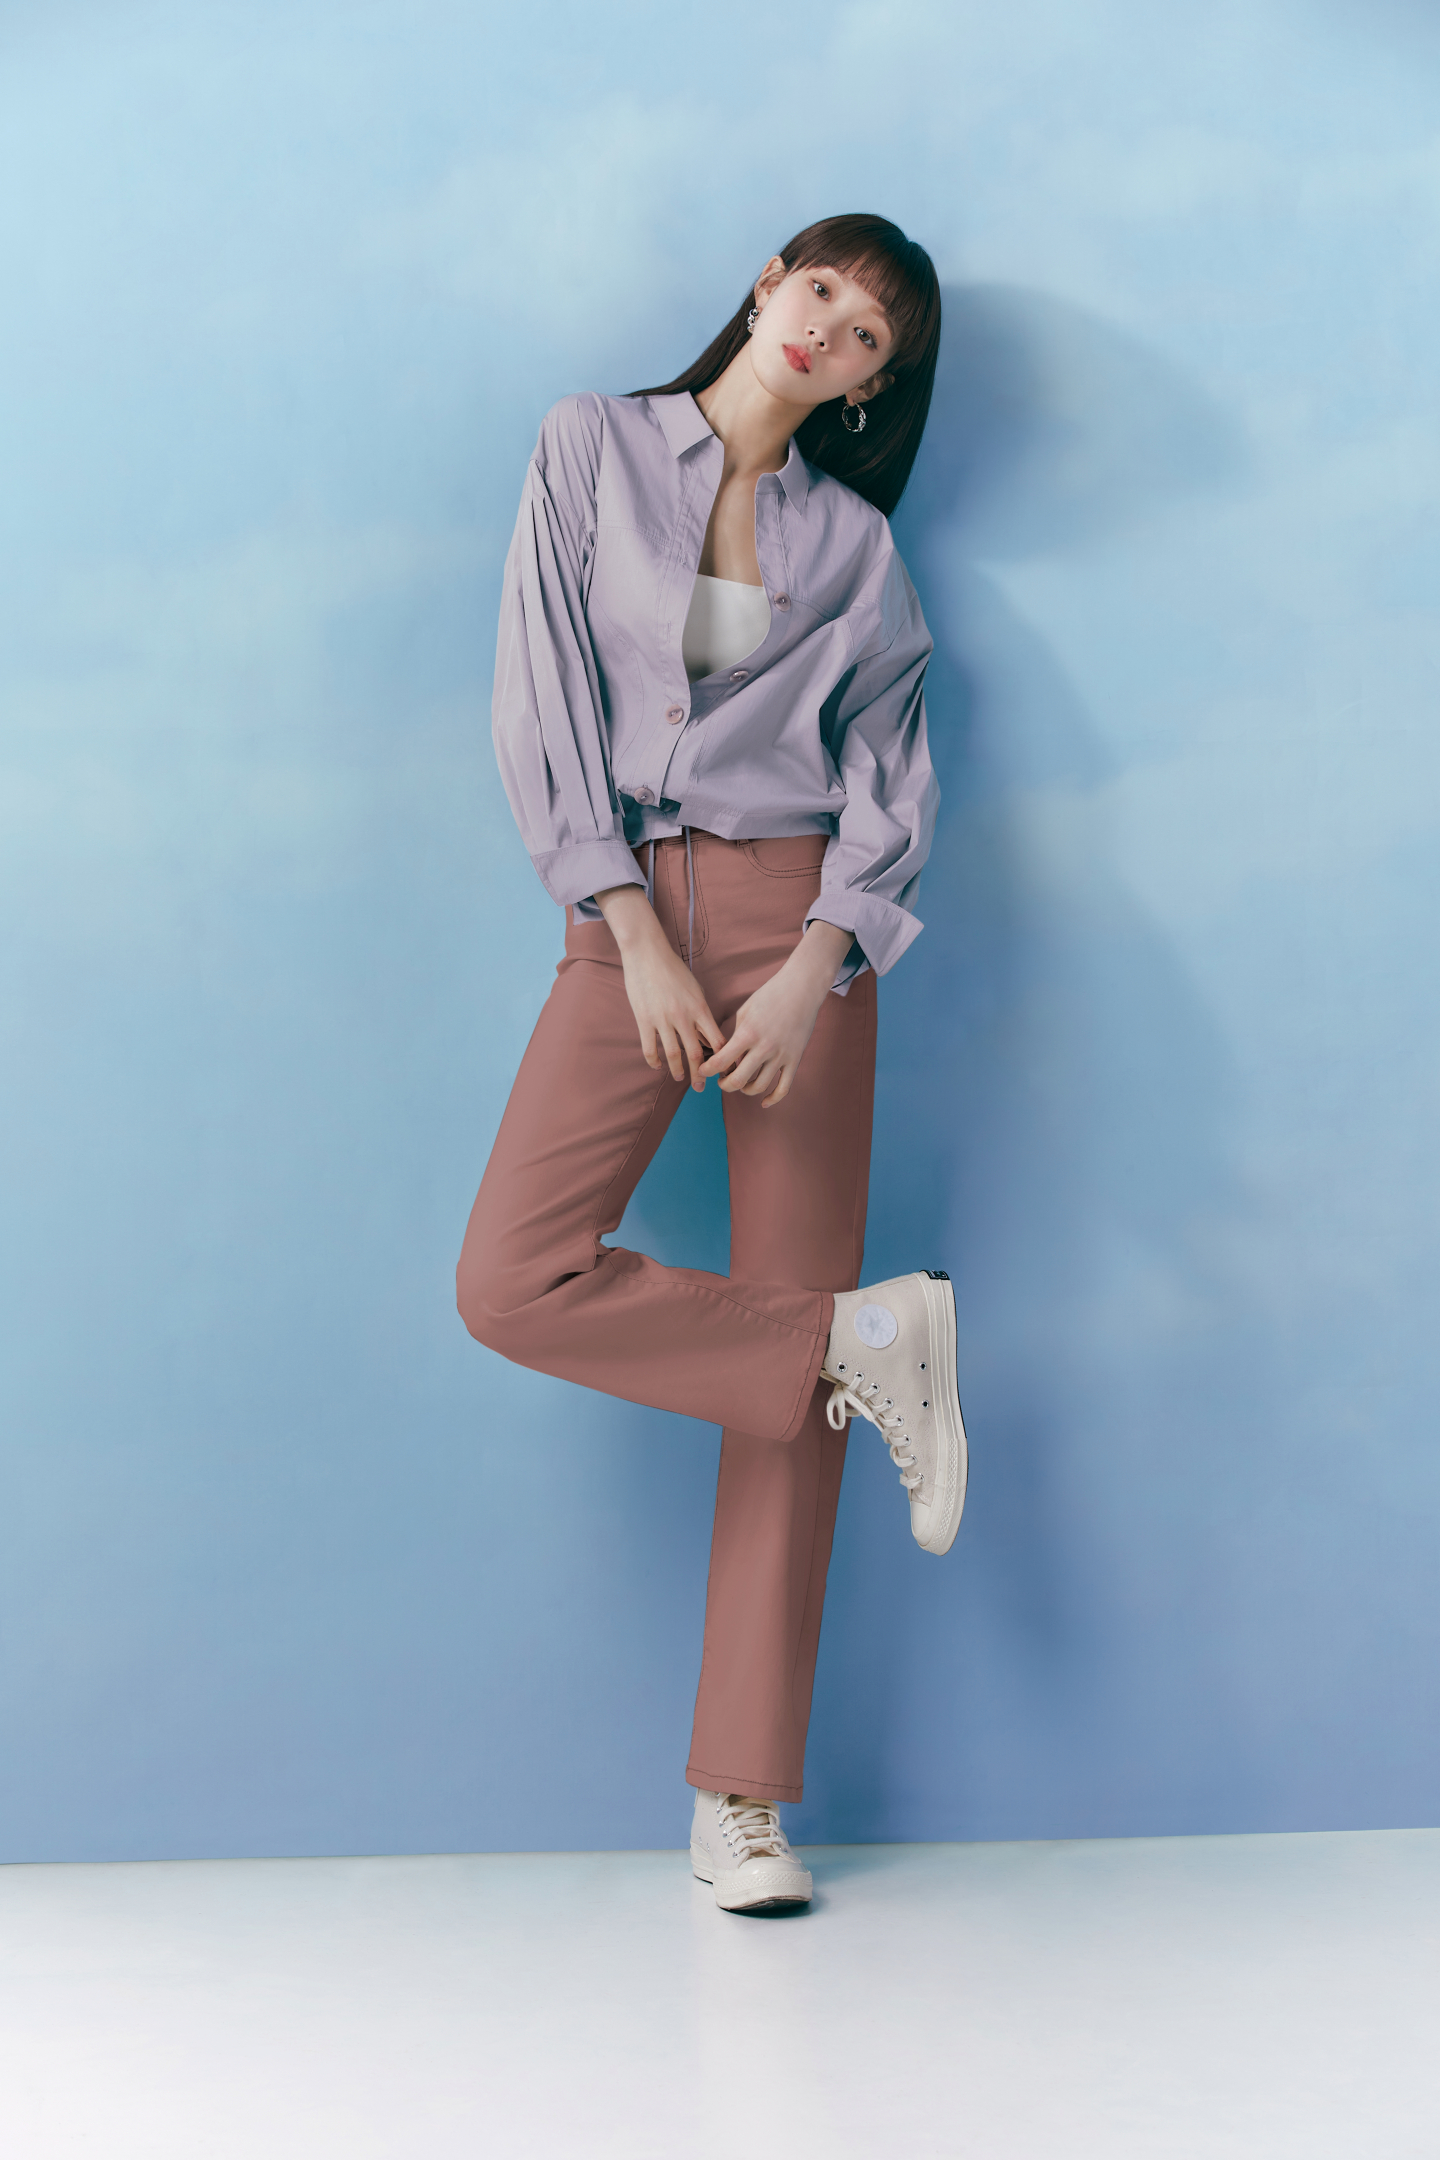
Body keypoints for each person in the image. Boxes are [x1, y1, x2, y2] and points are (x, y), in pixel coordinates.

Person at [457, 214, 967, 1914]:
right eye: (824, 292)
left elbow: (889, 772)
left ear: (869, 389)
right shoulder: (590, 446)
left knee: (791, 1412)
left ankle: (742, 1802)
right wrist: (630, 929)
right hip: (632, 915)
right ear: (767, 288)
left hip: (801, 932)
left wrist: (820, 965)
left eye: (872, 338)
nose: (835, 331)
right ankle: (863, 1342)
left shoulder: (858, 549)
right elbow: (540, 694)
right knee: (513, 1279)